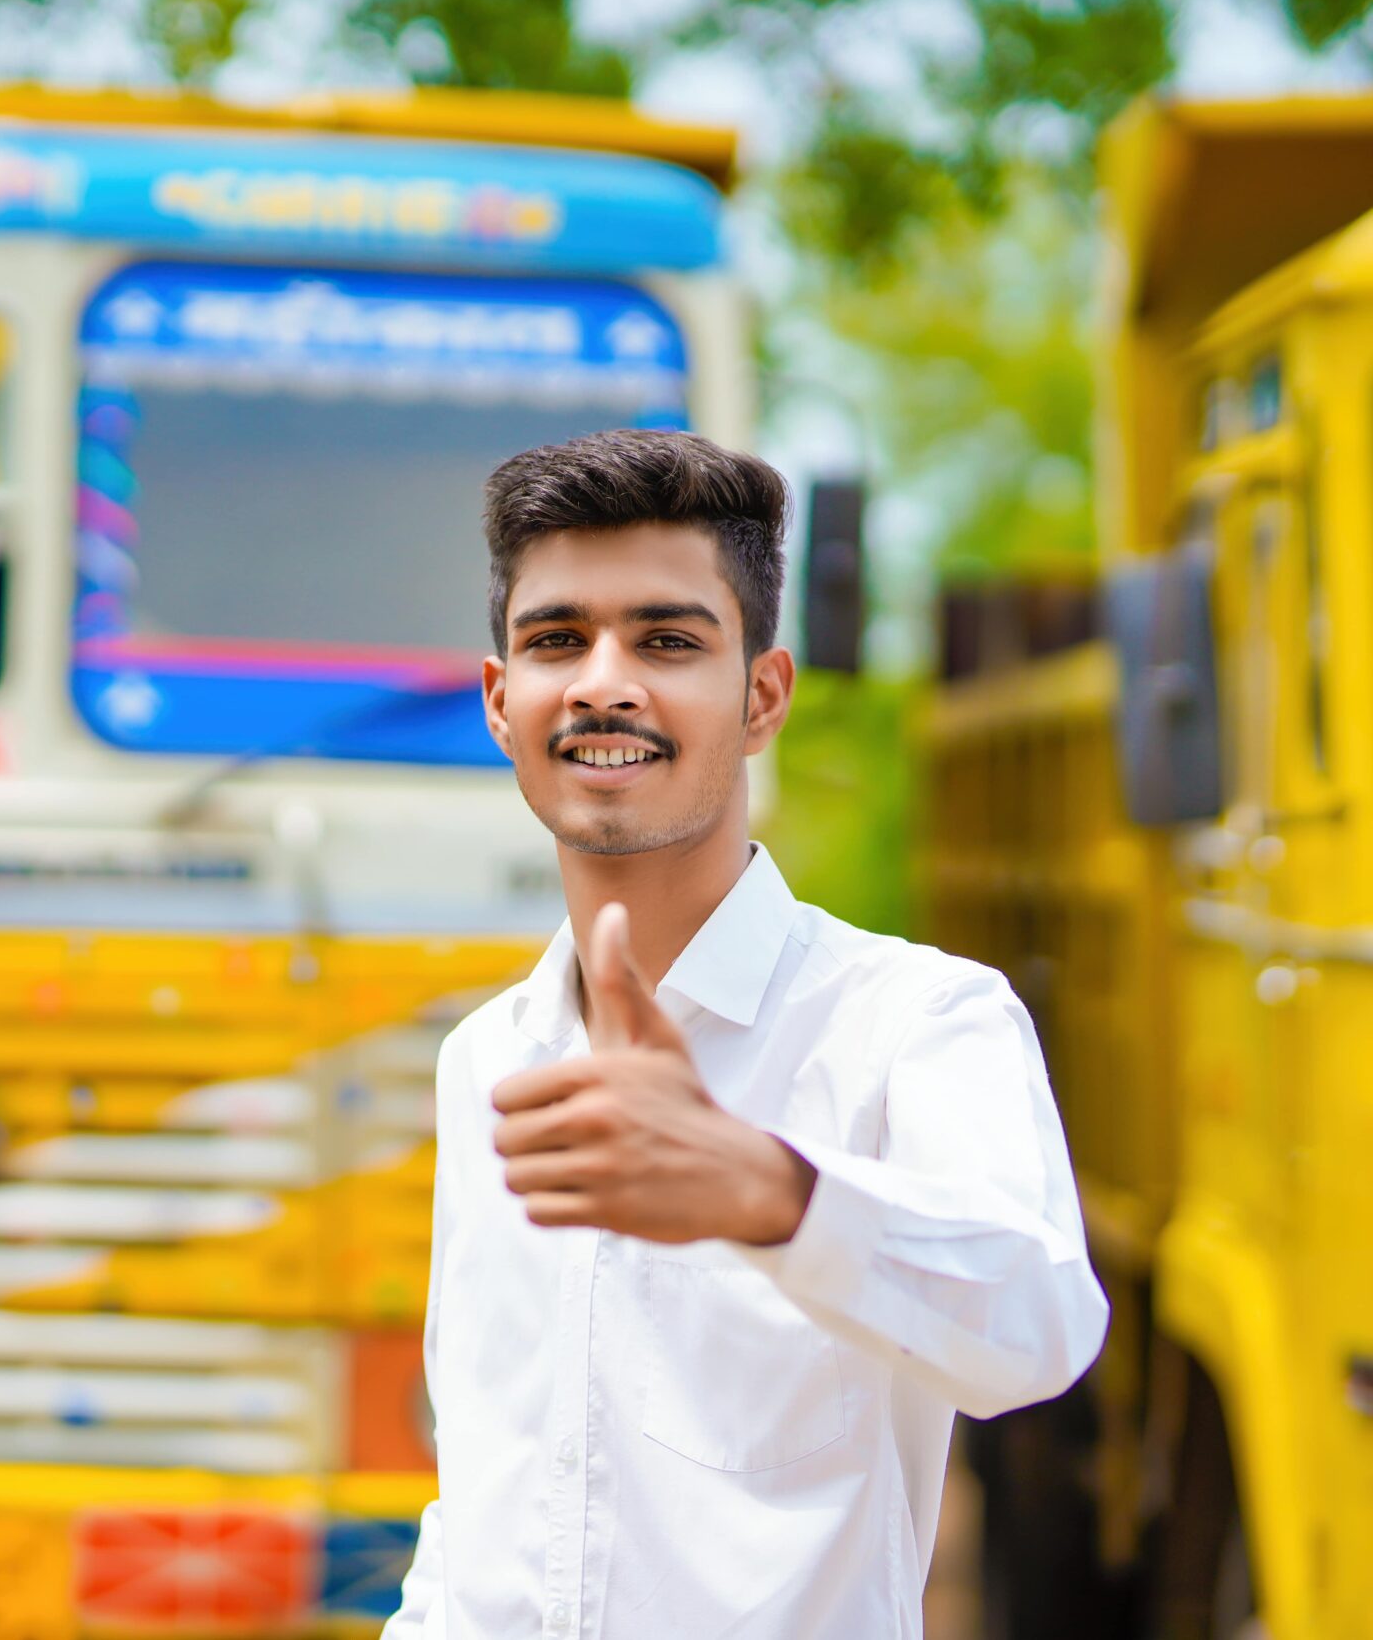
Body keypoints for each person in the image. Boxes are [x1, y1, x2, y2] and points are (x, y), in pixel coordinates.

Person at [383, 430, 1108, 1639]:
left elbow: (1039, 1326)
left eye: (667, 641)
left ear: (762, 696)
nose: (602, 681)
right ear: (502, 701)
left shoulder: (918, 1022)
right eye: (557, 639)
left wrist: (770, 1194)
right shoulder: (487, 1061)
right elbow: (486, 1498)